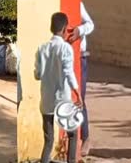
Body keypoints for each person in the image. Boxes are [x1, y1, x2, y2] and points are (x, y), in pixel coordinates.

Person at [34, 12, 82, 163]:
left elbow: (38, 75)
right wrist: (77, 92)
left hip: (46, 100)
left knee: (48, 140)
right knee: (72, 134)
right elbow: (68, 72)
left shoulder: (42, 49)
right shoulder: (66, 49)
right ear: (65, 28)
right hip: (63, 100)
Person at [68, 2, 94, 157]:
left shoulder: (78, 5)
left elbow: (90, 24)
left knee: (79, 98)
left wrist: (80, 30)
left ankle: (85, 137)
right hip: (63, 57)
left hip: (80, 57)